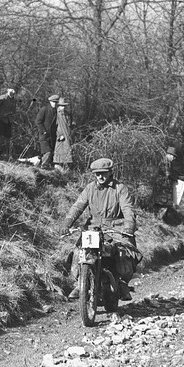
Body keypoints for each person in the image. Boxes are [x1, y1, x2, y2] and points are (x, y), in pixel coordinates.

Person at [60, 157, 138, 302]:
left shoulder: (119, 188)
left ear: (110, 173)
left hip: (116, 227)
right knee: (79, 251)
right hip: (93, 227)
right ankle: (81, 283)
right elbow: (78, 206)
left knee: (123, 253)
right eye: (97, 174)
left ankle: (122, 284)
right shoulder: (89, 188)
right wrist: (67, 223)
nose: (100, 176)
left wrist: (129, 226)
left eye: (103, 173)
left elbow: (127, 208)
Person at [34, 94, 59, 169]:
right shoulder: (44, 109)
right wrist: (43, 131)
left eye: (56, 102)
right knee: (47, 151)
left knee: (50, 152)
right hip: (44, 135)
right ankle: (43, 167)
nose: (54, 103)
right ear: (50, 102)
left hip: (53, 136)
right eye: (53, 102)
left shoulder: (57, 111)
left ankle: (43, 165)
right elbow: (38, 121)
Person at [0, 87, 18, 160]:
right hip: (1, 120)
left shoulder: (14, 100)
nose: (13, 91)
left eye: (13, 90)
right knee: (0, 137)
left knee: (8, 139)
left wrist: (12, 115)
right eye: (11, 90)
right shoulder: (3, 97)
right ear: (8, 90)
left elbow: (14, 110)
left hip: (9, 121)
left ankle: (8, 156)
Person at [53, 98, 74, 171]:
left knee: (67, 152)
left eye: (64, 106)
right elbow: (53, 126)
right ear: (59, 105)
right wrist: (59, 135)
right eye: (62, 106)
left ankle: (66, 169)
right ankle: (58, 168)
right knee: (59, 152)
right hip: (60, 137)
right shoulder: (56, 113)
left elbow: (70, 124)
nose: (63, 107)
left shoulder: (67, 114)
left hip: (67, 135)